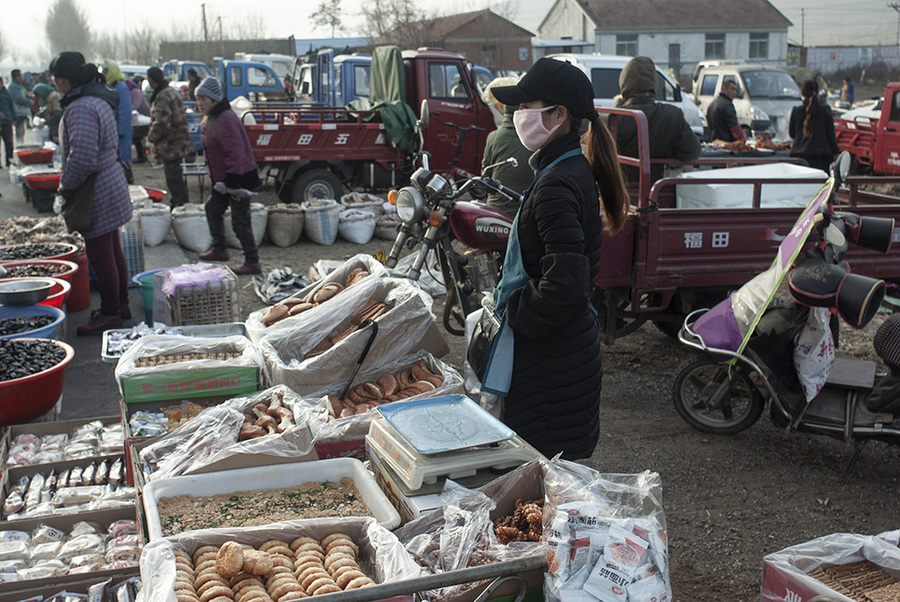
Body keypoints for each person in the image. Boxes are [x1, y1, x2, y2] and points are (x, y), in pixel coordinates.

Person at [487, 57, 630, 460]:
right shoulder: (565, 169)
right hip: (562, 356)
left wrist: (514, 308)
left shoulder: (556, 184)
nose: (517, 114)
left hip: (551, 366)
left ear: (559, 115)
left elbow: (565, 285)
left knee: (544, 487)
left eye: (527, 105)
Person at [50, 52, 133, 335]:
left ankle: (111, 312)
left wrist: (66, 186)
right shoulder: (97, 99)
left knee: (100, 253)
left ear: (62, 80)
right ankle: (119, 305)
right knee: (111, 249)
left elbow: (83, 157)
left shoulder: (81, 106)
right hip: (109, 180)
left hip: (96, 187)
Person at [194, 77, 262, 275]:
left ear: (214, 99)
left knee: (240, 222)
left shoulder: (226, 119)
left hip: (237, 179)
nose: (199, 103)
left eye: (203, 99)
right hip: (223, 180)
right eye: (197, 99)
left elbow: (235, 152)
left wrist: (232, 182)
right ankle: (219, 249)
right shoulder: (212, 117)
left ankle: (252, 261)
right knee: (212, 209)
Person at [614, 56, 701, 183]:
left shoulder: (613, 116)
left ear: (624, 85)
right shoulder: (672, 115)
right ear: (655, 84)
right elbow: (691, 152)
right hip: (655, 192)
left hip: (616, 193)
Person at [146, 67, 193, 207]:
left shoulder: (162, 95)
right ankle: (181, 203)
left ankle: (180, 205)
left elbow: (162, 122)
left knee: (173, 178)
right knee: (176, 176)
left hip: (170, 144)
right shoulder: (171, 91)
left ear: (151, 80)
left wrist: (151, 137)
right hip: (180, 141)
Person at [480, 103, 533, 217]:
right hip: (523, 213)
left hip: (495, 210)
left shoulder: (493, 137)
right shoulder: (534, 141)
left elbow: (485, 175)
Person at [789, 79, 839, 174]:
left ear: (802, 93)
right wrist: (836, 153)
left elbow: (792, 134)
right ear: (817, 92)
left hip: (799, 157)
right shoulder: (825, 111)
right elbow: (831, 135)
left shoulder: (796, 111)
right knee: (820, 187)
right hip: (821, 157)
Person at [102, 60, 133, 183]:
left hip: (121, 133)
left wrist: (120, 131)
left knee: (123, 162)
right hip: (114, 132)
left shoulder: (121, 88)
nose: (104, 74)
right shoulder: (110, 87)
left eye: (106, 71)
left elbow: (125, 111)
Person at [707, 78, 746, 142]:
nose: (735, 93)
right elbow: (734, 127)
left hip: (712, 141)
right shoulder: (727, 105)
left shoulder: (712, 103)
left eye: (736, 90)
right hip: (724, 142)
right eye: (732, 89)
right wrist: (742, 139)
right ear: (724, 89)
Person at [128, 79, 151, 163]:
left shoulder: (135, 92)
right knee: (137, 136)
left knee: (138, 136)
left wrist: (127, 109)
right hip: (139, 116)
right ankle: (141, 155)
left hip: (143, 117)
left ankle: (142, 156)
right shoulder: (134, 91)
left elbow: (136, 105)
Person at [8, 70, 31, 143]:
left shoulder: (19, 85)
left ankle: (21, 143)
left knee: (22, 131)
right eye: (21, 75)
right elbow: (18, 99)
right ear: (17, 77)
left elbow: (24, 94)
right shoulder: (13, 87)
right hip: (18, 112)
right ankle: (20, 145)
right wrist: (29, 102)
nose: (22, 77)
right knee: (19, 132)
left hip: (22, 112)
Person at [0, 78, 15, 168]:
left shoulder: (6, 94)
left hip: (7, 122)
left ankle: (9, 161)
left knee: (9, 143)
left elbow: (11, 106)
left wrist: (14, 118)